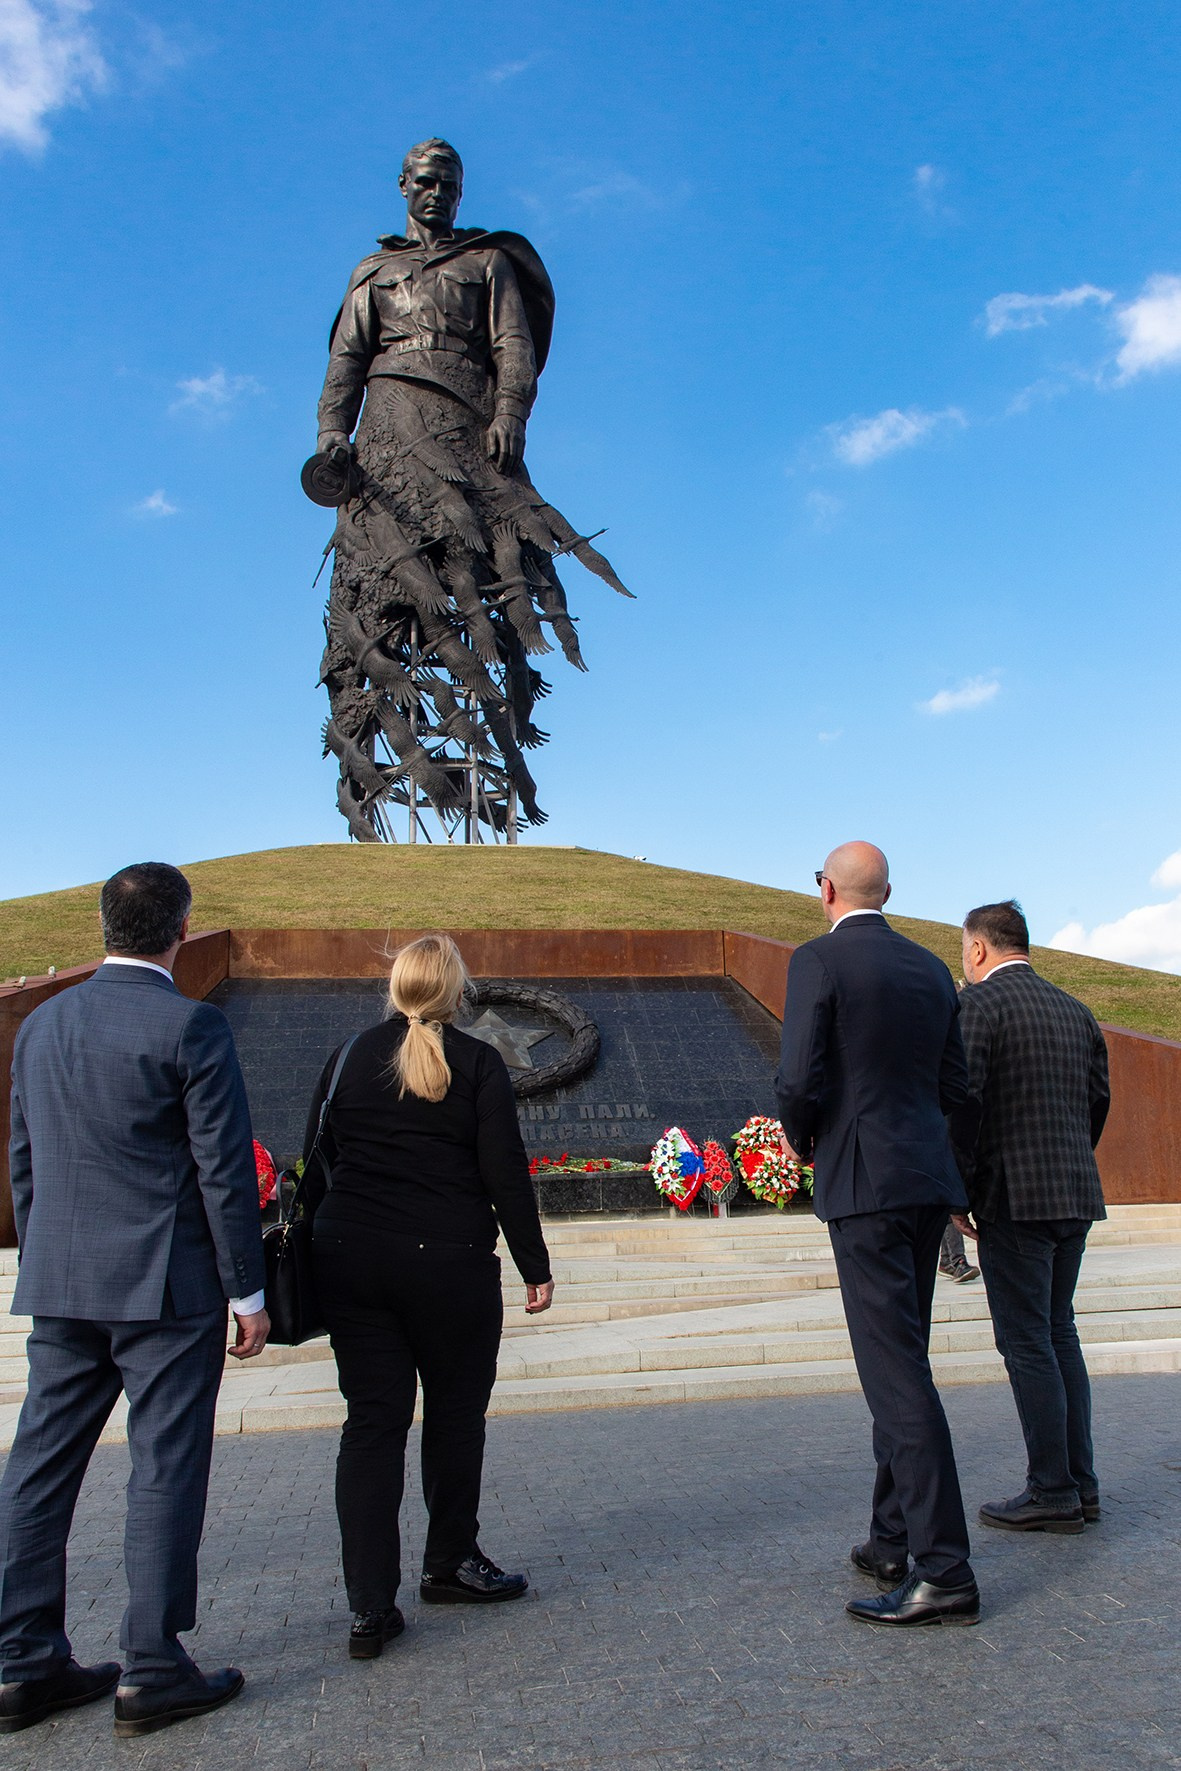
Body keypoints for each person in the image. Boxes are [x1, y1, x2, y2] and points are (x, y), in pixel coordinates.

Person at [0, 863, 269, 1739]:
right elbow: (223, 1171)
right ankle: (152, 1667)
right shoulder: (191, 1025)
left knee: (38, 1469)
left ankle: (21, 1662)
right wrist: (248, 1290)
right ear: (181, 928)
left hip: (62, 1284)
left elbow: (25, 1163)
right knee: (163, 1467)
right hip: (166, 1289)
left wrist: (48, 1260)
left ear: (105, 925)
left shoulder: (40, 1026)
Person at [307, 934, 554, 1661]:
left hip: (349, 1259)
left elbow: (315, 1156)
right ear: (455, 991)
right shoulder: (477, 1063)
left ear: (395, 987)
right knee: (453, 1417)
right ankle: (449, 1563)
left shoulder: (350, 1054)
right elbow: (504, 1171)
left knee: (372, 1424)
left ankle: (368, 1607)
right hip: (449, 1266)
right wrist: (532, 1261)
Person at [775, 843, 979, 1627]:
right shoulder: (932, 968)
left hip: (862, 1182)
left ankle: (944, 1568)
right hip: (924, 1182)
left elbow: (798, 1078)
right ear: (885, 891)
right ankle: (890, 1537)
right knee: (905, 1357)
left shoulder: (817, 960)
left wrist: (804, 1137)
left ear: (824, 888)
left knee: (894, 1377)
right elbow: (954, 1085)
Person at [948, 900, 1110, 1534]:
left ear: (980, 949)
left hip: (1014, 1198)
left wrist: (957, 1191)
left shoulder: (980, 1005)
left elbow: (965, 1102)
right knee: (1059, 1331)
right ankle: (1081, 1483)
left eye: (965, 950)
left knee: (1027, 1342)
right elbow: (1097, 1099)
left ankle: (1052, 1490)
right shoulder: (1076, 1011)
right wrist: (1070, 1158)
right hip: (1074, 1192)